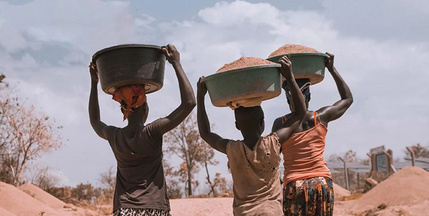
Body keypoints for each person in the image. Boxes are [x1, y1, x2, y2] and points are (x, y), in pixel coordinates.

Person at [88, 44, 196, 216]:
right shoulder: (152, 132)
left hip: (124, 210)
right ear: (145, 108)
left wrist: (94, 83)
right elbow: (189, 103)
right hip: (154, 208)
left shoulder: (115, 136)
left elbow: (94, 120)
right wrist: (176, 63)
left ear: (123, 110)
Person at [197, 56, 307, 216]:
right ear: (263, 123)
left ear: (237, 125)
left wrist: (200, 97)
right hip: (272, 212)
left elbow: (205, 133)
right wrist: (289, 77)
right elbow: (300, 113)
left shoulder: (232, 149)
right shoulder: (273, 143)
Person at [271, 53, 353, 216]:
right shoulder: (321, 117)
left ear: (288, 99)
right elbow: (347, 99)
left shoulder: (280, 124)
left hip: (294, 184)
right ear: (309, 96)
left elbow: (272, 157)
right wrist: (332, 69)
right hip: (321, 183)